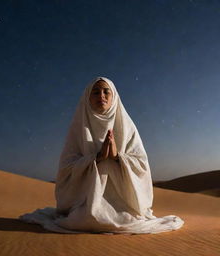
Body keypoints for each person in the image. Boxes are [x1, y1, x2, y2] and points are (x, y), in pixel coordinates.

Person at [19, 76, 184, 234]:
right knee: (84, 219)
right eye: (96, 92)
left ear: (114, 97)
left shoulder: (127, 127)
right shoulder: (78, 127)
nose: (102, 96)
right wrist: (96, 158)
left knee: (125, 220)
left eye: (106, 92)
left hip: (124, 202)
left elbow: (141, 165)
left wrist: (117, 156)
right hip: (85, 201)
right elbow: (66, 168)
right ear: (87, 98)